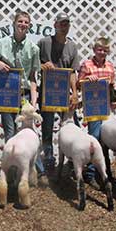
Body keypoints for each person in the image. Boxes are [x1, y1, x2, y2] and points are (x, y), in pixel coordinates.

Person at [0, 11, 46, 180]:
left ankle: (35, 170)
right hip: (6, 92)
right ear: (14, 23)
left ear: (29, 25)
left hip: (25, 94)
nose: (23, 24)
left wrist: (34, 102)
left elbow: (34, 78)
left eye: (26, 22)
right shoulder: (2, 44)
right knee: (10, 131)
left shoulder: (33, 49)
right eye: (20, 21)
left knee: (28, 132)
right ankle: (11, 173)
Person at [38, 12, 80, 171]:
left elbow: (72, 72)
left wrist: (74, 94)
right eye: (61, 23)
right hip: (47, 93)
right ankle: (49, 160)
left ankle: (72, 158)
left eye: (67, 24)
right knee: (47, 127)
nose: (64, 27)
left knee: (72, 126)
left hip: (64, 94)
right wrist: (41, 65)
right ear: (55, 25)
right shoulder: (44, 43)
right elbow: (34, 63)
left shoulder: (72, 46)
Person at [78, 37, 116, 188]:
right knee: (94, 139)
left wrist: (115, 99)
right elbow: (77, 84)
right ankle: (89, 173)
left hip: (106, 109)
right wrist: (88, 78)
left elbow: (113, 86)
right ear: (94, 49)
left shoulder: (110, 66)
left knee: (107, 141)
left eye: (105, 50)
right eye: (99, 49)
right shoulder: (86, 65)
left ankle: (104, 171)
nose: (102, 52)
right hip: (93, 108)